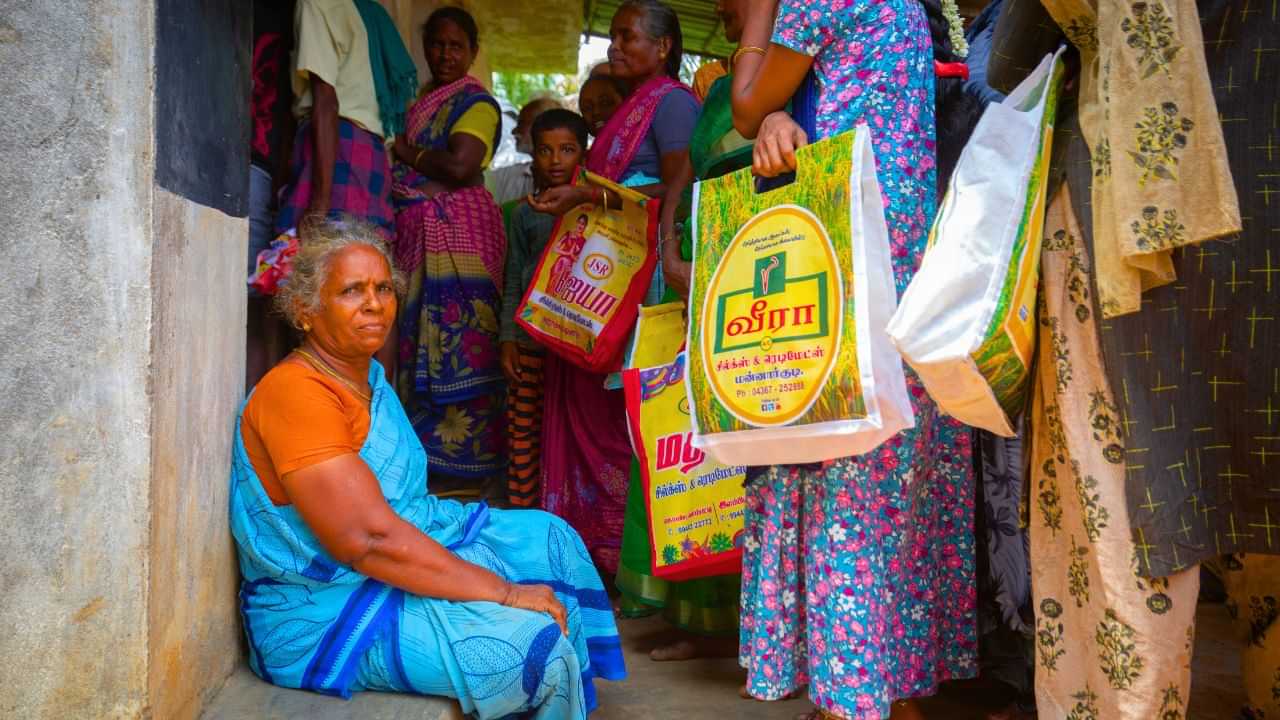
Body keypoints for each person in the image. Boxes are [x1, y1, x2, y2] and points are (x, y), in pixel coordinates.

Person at [230, 219, 625, 718]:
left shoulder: (367, 375)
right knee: (531, 648)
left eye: (382, 288)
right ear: (306, 311)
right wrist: (503, 593)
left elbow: (396, 512)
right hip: (325, 608)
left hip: (386, 555)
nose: (375, 304)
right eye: (352, 291)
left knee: (550, 538)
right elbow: (368, 540)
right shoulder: (296, 392)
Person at [728, 1, 978, 718]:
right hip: (901, 240)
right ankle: (883, 680)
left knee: (836, 457)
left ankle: (852, 690)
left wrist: (759, 12)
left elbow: (747, 106)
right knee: (885, 458)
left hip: (849, 237)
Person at [526, 0, 699, 577]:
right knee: (603, 413)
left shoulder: (672, 104)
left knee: (626, 419)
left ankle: (627, 565)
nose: (615, 47)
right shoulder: (631, 109)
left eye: (628, 37)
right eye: (614, 37)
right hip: (608, 274)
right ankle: (592, 557)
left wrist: (586, 197)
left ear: (665, 46)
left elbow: (680, 187)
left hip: (642, 279)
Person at [615, 0, 753, 662]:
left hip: (743, 271)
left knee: (726, 447)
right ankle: (686, 615)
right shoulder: (721, 91)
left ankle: (726, 627)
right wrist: (671, 248)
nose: (724, 5)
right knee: (676, 438)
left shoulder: (782, 92)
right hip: (689, 269)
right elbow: (685, 183)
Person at [389, 7, 507, 485]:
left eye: (456, 46)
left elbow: (460, 167)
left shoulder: (475, 105)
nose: (444, 54)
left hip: (462, 237)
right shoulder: (422, 102)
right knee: (417, 343)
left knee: (469, 344)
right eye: (436, 44)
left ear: (473, 52)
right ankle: (425, 468)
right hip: (419, 237)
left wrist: (406, 152)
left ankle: (473, 473)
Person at [499, 109, 591, 509]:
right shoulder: (523, 214)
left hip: (577, 342)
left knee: (570, 431)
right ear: (532, 156)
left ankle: (567, 513)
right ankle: (524, 514)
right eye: (545, 151)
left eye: (567, 149)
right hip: (529, 340)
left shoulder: (595, 208)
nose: (556, 160)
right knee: (523, 431)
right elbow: (514, 277)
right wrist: (506, 338)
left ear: (583, 154)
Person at [276, 0, 417, 241]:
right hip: (373, 156)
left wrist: (320, 204)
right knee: (363, 262)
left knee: (311, 261)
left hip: (334, 149)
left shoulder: (317, 4)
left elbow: (327, 100)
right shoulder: (374, 14)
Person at [246, 0, 296, 389]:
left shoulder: (285, 20)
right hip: (257, 168)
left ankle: (260, 401)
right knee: (255, 303)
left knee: (260, 304)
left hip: (261, 169)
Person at [486, 96, 563, 206]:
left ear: (543, 127)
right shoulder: (509, 175)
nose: (514, 131)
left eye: (521, 123)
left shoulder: (574, 180)